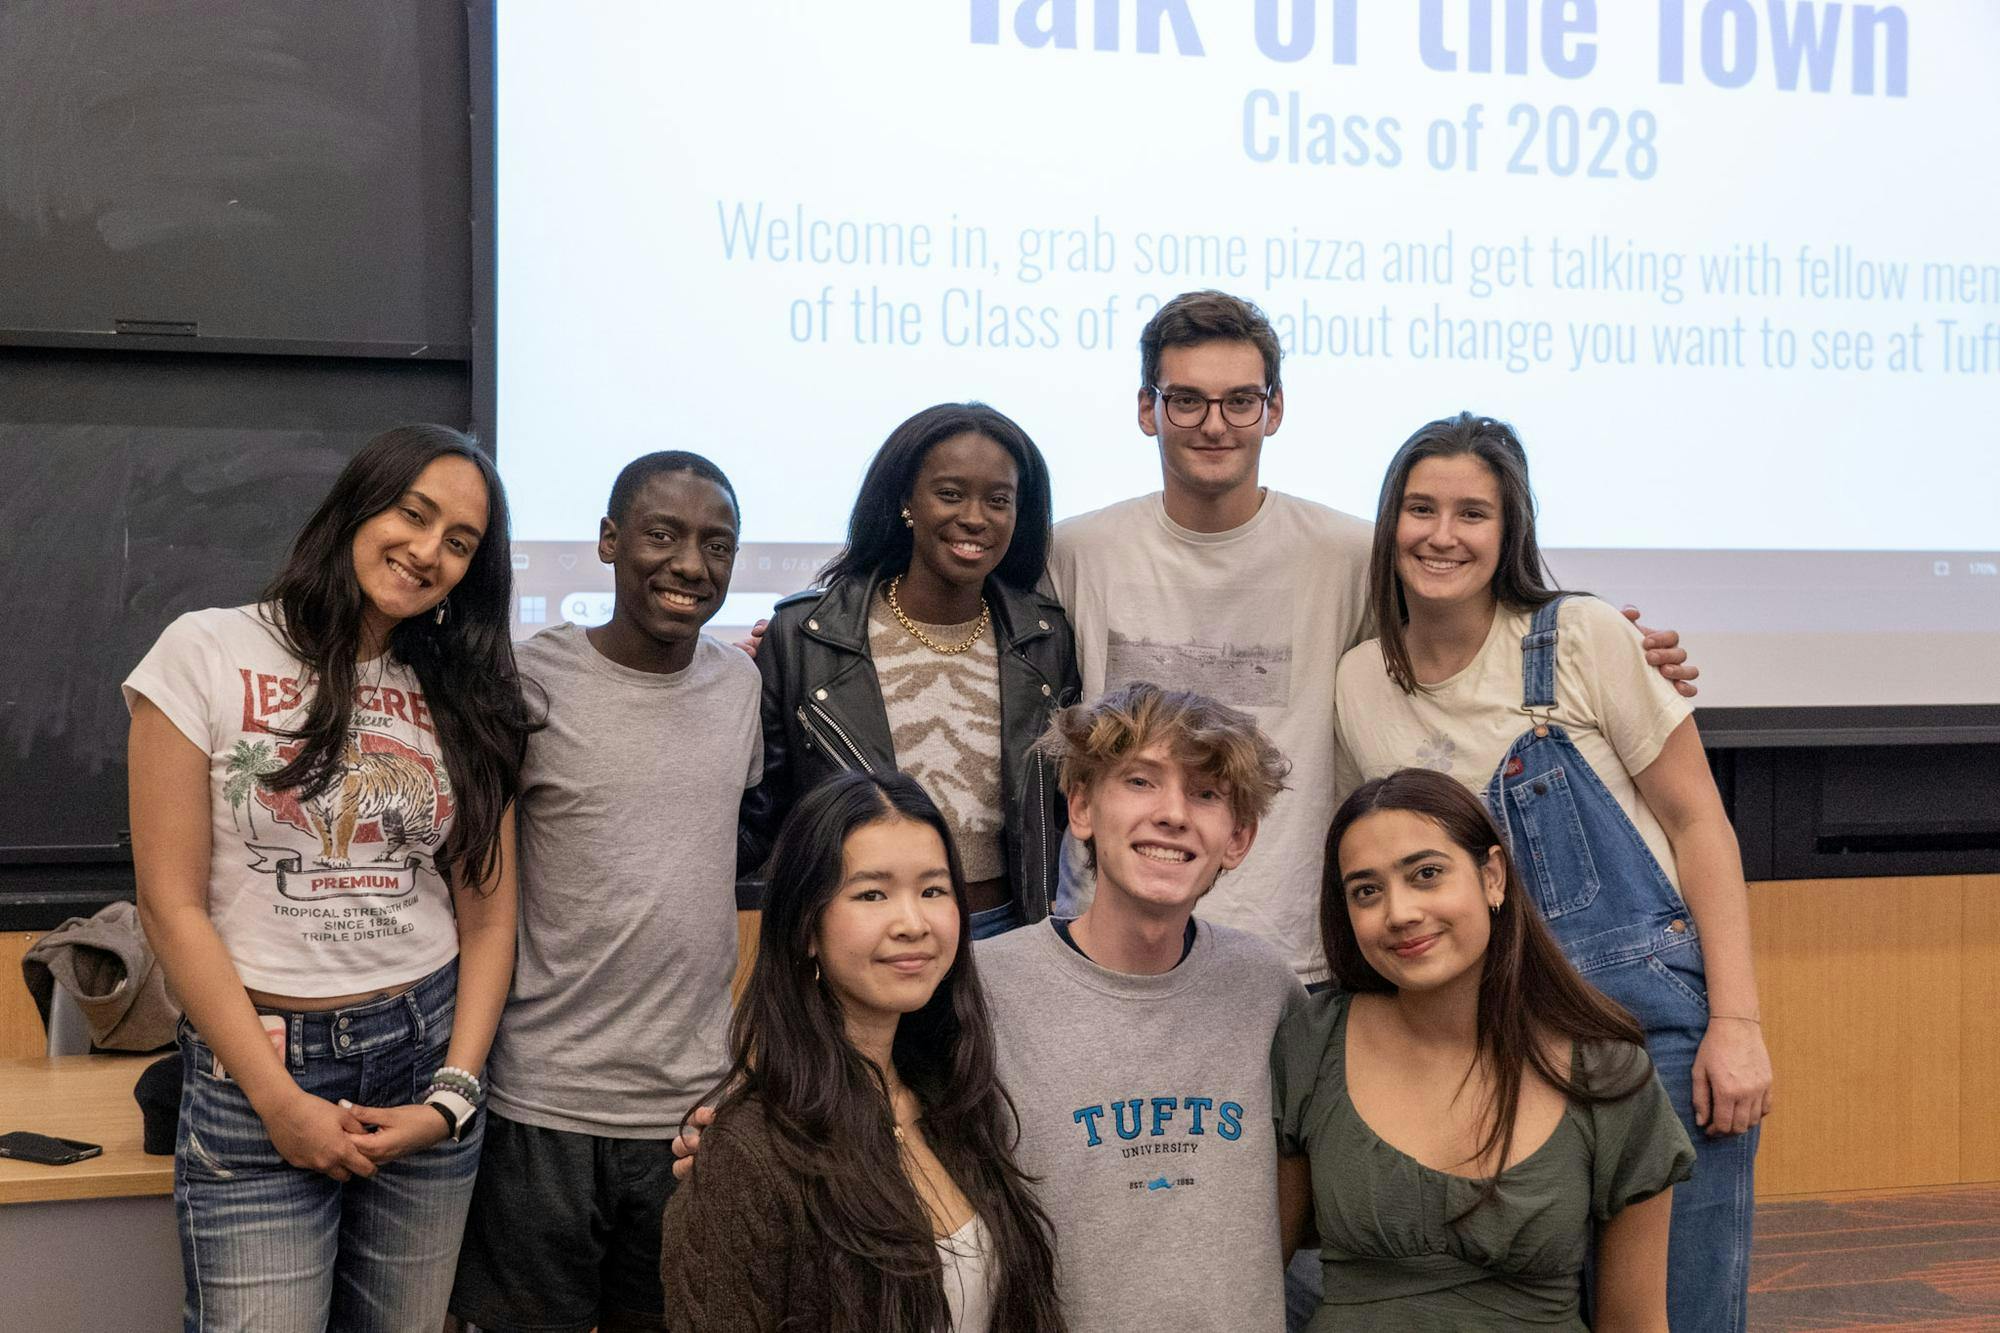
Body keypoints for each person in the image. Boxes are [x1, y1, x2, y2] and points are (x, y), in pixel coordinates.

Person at [1044, 290, 1697, 988]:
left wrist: (1608, 644)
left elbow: (1477, 620)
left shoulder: (1351, 554)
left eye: (1240, 400)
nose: (1215, 424)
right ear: (1148, 408)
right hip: (1108, 940)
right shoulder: (1074, 551)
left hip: (1295, 958)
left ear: (1275, 408)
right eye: (1187, 400)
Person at [1334, 411, 1773, 1330]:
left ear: (1510, 532)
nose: (1442, 535)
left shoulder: (1579, 636)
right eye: (1420, 508)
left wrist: (1736, 1023)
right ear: (1390, 522)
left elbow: (1702, 826)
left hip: (1653, 1037)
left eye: (1472, 513)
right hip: (1495, 1050)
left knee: (1677, 1312)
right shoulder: (1360, 682)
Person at [681, 682, 1302, 1328]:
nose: (1173, 812)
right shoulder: (974, 988)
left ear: (1239, 837)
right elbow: (848, 1079)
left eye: (1205, 793)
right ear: (1082, 805)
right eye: (1141, 781)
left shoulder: (1267, 988)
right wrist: (742, 1139)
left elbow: (1306, 1172)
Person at [125, 423, 535, 1331]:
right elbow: (170, 903)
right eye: (412, 513)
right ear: (357, 505)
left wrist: (452, 1098)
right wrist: (279, 1103)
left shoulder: (468, 693)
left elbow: (490, 920)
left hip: (424, 1059)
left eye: (460, 542)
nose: (428, 551)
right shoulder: (205, 650)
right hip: (258, 1069)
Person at [448, 452, 762, 1333]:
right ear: (608, 542)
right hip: (541, 1108)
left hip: (689, 1116)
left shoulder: (742, 686)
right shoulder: (525, 682)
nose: (691, 564)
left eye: (717, 544)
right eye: (663, 534)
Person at [1276, 768, 1695, 1330]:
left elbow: (1636, 1321)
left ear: (1492, 875)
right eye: (1366, 891)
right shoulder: (1312, 1040)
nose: (1399, 913)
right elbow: (1253, 1275)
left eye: (1426, 874)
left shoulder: (1608, 1072)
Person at [662, 770, 1067, 1333]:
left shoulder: (956, 1100)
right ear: (806, 926)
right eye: (872, 893)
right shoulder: (749, 1153)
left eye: (933, 890)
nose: (912, 923)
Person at [743, 402, 1080, 938]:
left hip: (1009, 933)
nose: (975, 517)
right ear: (906, 501)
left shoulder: (1045, 639)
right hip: (860, 935)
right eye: (950, 494)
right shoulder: (806, 635)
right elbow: (760, 819)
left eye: (999, 501)